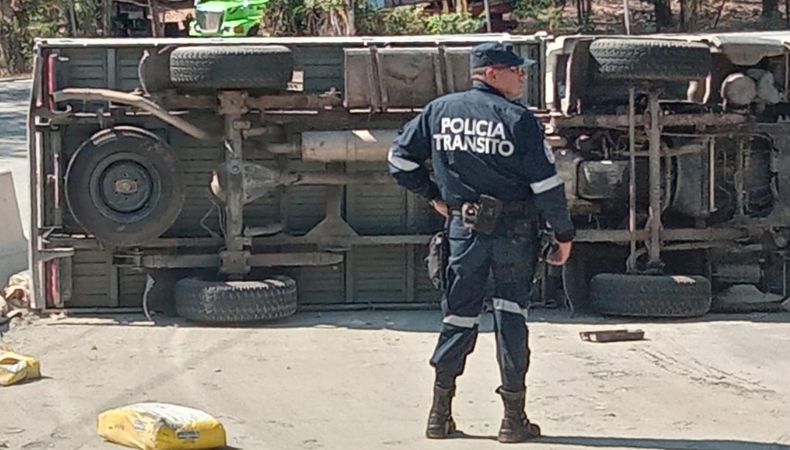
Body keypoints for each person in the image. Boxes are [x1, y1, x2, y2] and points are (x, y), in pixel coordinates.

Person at [387, 42, 575, 443]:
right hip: (514, 234)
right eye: (516, 70)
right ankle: (513, 421)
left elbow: (399, 161)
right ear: (492, 73)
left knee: (458, 317)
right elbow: (546, 186)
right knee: (511, 319)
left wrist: (434, 195)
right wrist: (563, 234)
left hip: (463, 231)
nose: (522, 76)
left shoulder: (438, 111)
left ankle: (439, 416)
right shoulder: (519, 119)